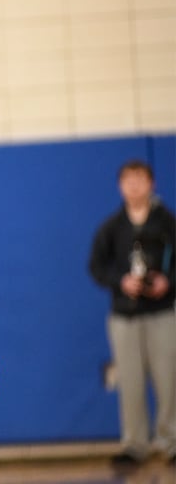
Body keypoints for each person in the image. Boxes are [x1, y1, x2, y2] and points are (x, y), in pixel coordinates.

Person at [89, 159, 176, 469]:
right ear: (120, 186)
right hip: (124, 316)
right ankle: (134, 444)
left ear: (151, 183)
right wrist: (121, 281)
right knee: (130, 381)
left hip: (163, 313)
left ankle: (170, 442)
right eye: (128, 180)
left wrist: (168, 282)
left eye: (140, 179)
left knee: (169, 379)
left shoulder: (167, 222)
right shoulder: (111, 227)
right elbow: (96, 267)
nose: (134, 185)